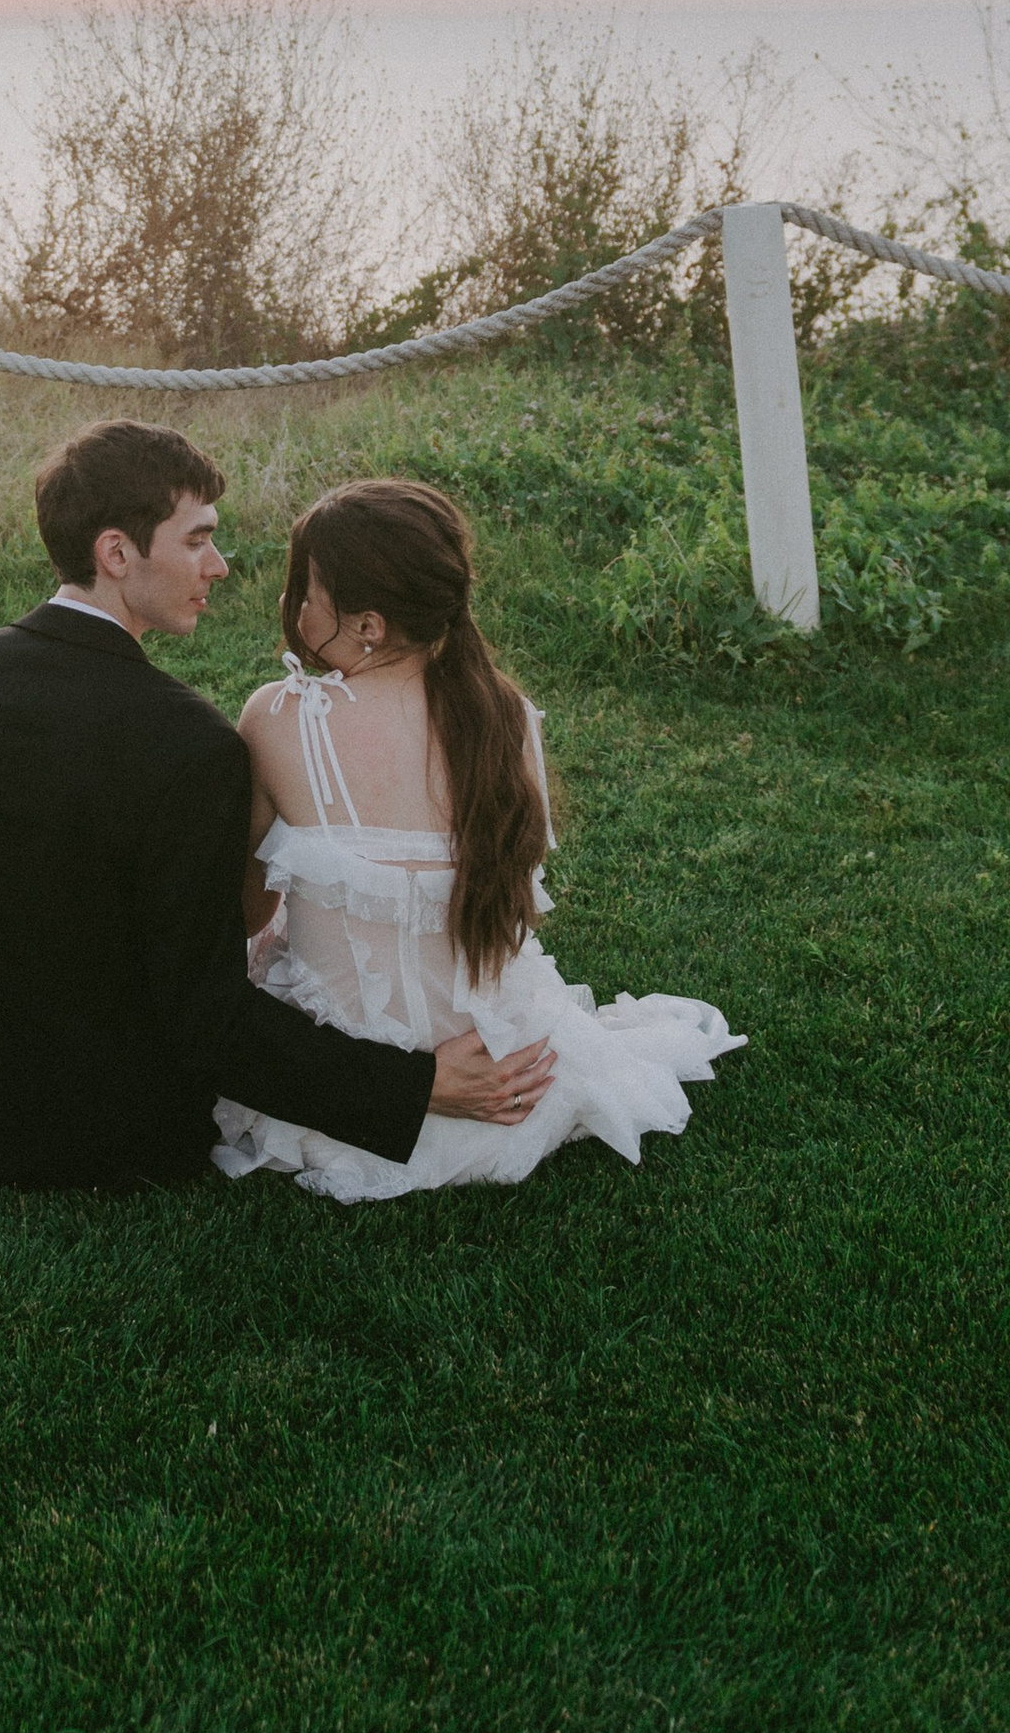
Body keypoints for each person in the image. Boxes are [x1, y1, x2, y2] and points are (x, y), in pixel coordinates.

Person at [0, 421, 560, 1189]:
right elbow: (205, 1017)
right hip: (92, 1124)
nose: (220, 567)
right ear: (116, 552)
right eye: (198, 540)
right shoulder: (193, 745)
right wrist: (412, 1085)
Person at [213, 476, 743, 1204]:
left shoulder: (278, 717)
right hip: (511, 1076)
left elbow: (244, 913)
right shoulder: (505, 716)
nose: (296, 608)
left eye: (307, 591)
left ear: (367, 624)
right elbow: (512, 912)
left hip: (344, 1097)